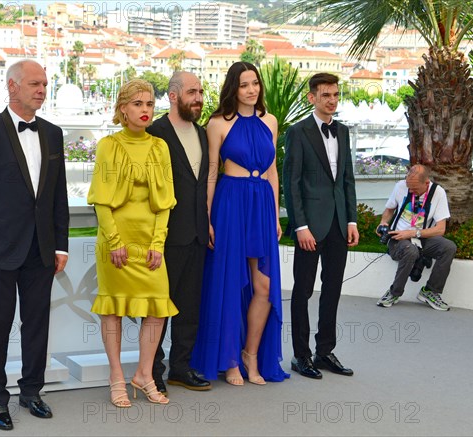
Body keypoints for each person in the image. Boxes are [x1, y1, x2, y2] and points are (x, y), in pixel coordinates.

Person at [0, 59, 69, 431]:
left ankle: (31, 392)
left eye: (45, 84)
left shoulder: (54, 134)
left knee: (37, 323)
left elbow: (58, 195)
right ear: (12, 86)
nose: (41, 90)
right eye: (35, 84)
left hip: (42, 250)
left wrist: (61, 245)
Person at [191, 62, 290, 385]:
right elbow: (210, 173)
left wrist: (274, 214)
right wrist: (207, 217)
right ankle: (230, 360)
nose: (252, 90)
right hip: (230, 203)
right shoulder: (218, 123)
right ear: (233, 88)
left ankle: (252, 354)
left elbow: (273, 171)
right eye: (245, 84)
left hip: (261, 203)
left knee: (264, 286)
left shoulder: (270, 121)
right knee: (231, 283)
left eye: (255, 83)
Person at [88, 79, 178, 407]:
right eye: (138, 104)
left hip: (150, 242)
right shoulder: (108, 146)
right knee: (113, 309)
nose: (145, 110)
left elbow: (165, 201)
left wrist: (158, 243)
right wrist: (113, 241)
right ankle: (116, 377)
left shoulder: (159, 147)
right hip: (116, 241)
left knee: (157, 308)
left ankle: (143, 375)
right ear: (123, 108)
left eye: (150, 105)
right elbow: (101, 201)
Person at [283, 72, 359, 380]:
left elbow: (347, 179)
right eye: (326, 95)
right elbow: (292, 182)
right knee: (302, 291)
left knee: (333, 290)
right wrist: (300, 225)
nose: (332, 100)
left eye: (336, 95)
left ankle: (325, 351)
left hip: (339, 224)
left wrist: (351, 219)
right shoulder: (298, 132)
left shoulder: (342, 132)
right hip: (309, 228)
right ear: (312, 97)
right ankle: (301, 356)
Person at [146, 72, 211, 395]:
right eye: (191, 92)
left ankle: (181, 368)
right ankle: (153, 371)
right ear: (173, 96)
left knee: (190, 306)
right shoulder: (154, 133)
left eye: (200, 92)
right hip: (164, 236)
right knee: (158, 308)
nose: (198, 98)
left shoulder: (202, 133)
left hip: (198, 233)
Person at [376, 164, 456, 311]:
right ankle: (394, 292)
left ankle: (430, 291)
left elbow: (440, 229)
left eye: (414, 188)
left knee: (448, 247)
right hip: (398, 239)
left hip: (421, 238)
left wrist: (413, 233)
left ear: (426, 183)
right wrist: (383, 223)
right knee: (410, 250)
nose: (411, 191)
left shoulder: (438, 193)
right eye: (409, 187)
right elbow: (389, 210)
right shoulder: (400, 187)